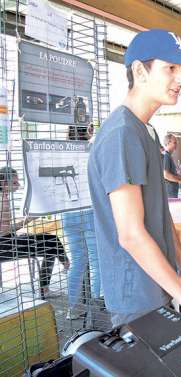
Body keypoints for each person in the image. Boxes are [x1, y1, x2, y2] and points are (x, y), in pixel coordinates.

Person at [87, 29, 181, 331]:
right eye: (171, 68)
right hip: (136, 295)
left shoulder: (146, 131)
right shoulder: (121, 134)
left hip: (160, 286)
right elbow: (131, 235)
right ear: (140, 71)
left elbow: (160, 218)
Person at [0, 167, 69, 300]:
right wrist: (29, 220)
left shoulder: (4, 197)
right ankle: (66, 265)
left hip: (7, 242)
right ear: (3, 183)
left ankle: (47, 286)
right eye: (14, 183)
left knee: (49, 245)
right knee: (51, 241)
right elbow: (4, 231)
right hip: (5, 247)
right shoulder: (3, 201)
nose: (19, 185)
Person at [63, 125, 102, 320]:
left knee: (78, 261)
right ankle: (97, 306)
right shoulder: (91, 151)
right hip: (89, 210)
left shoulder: (62, 152)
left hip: (68, 211)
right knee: (97, 262)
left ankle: (72, 308)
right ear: (88, 131)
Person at [162, 133, 181, 198]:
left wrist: (178, 173)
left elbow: (169, 172)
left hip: (172, 191)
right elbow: (166, 175)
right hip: (169, 192)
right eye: (174, 143)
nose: (176, 145)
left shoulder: (169, 156)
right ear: (168, 143)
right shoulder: (166, 156)